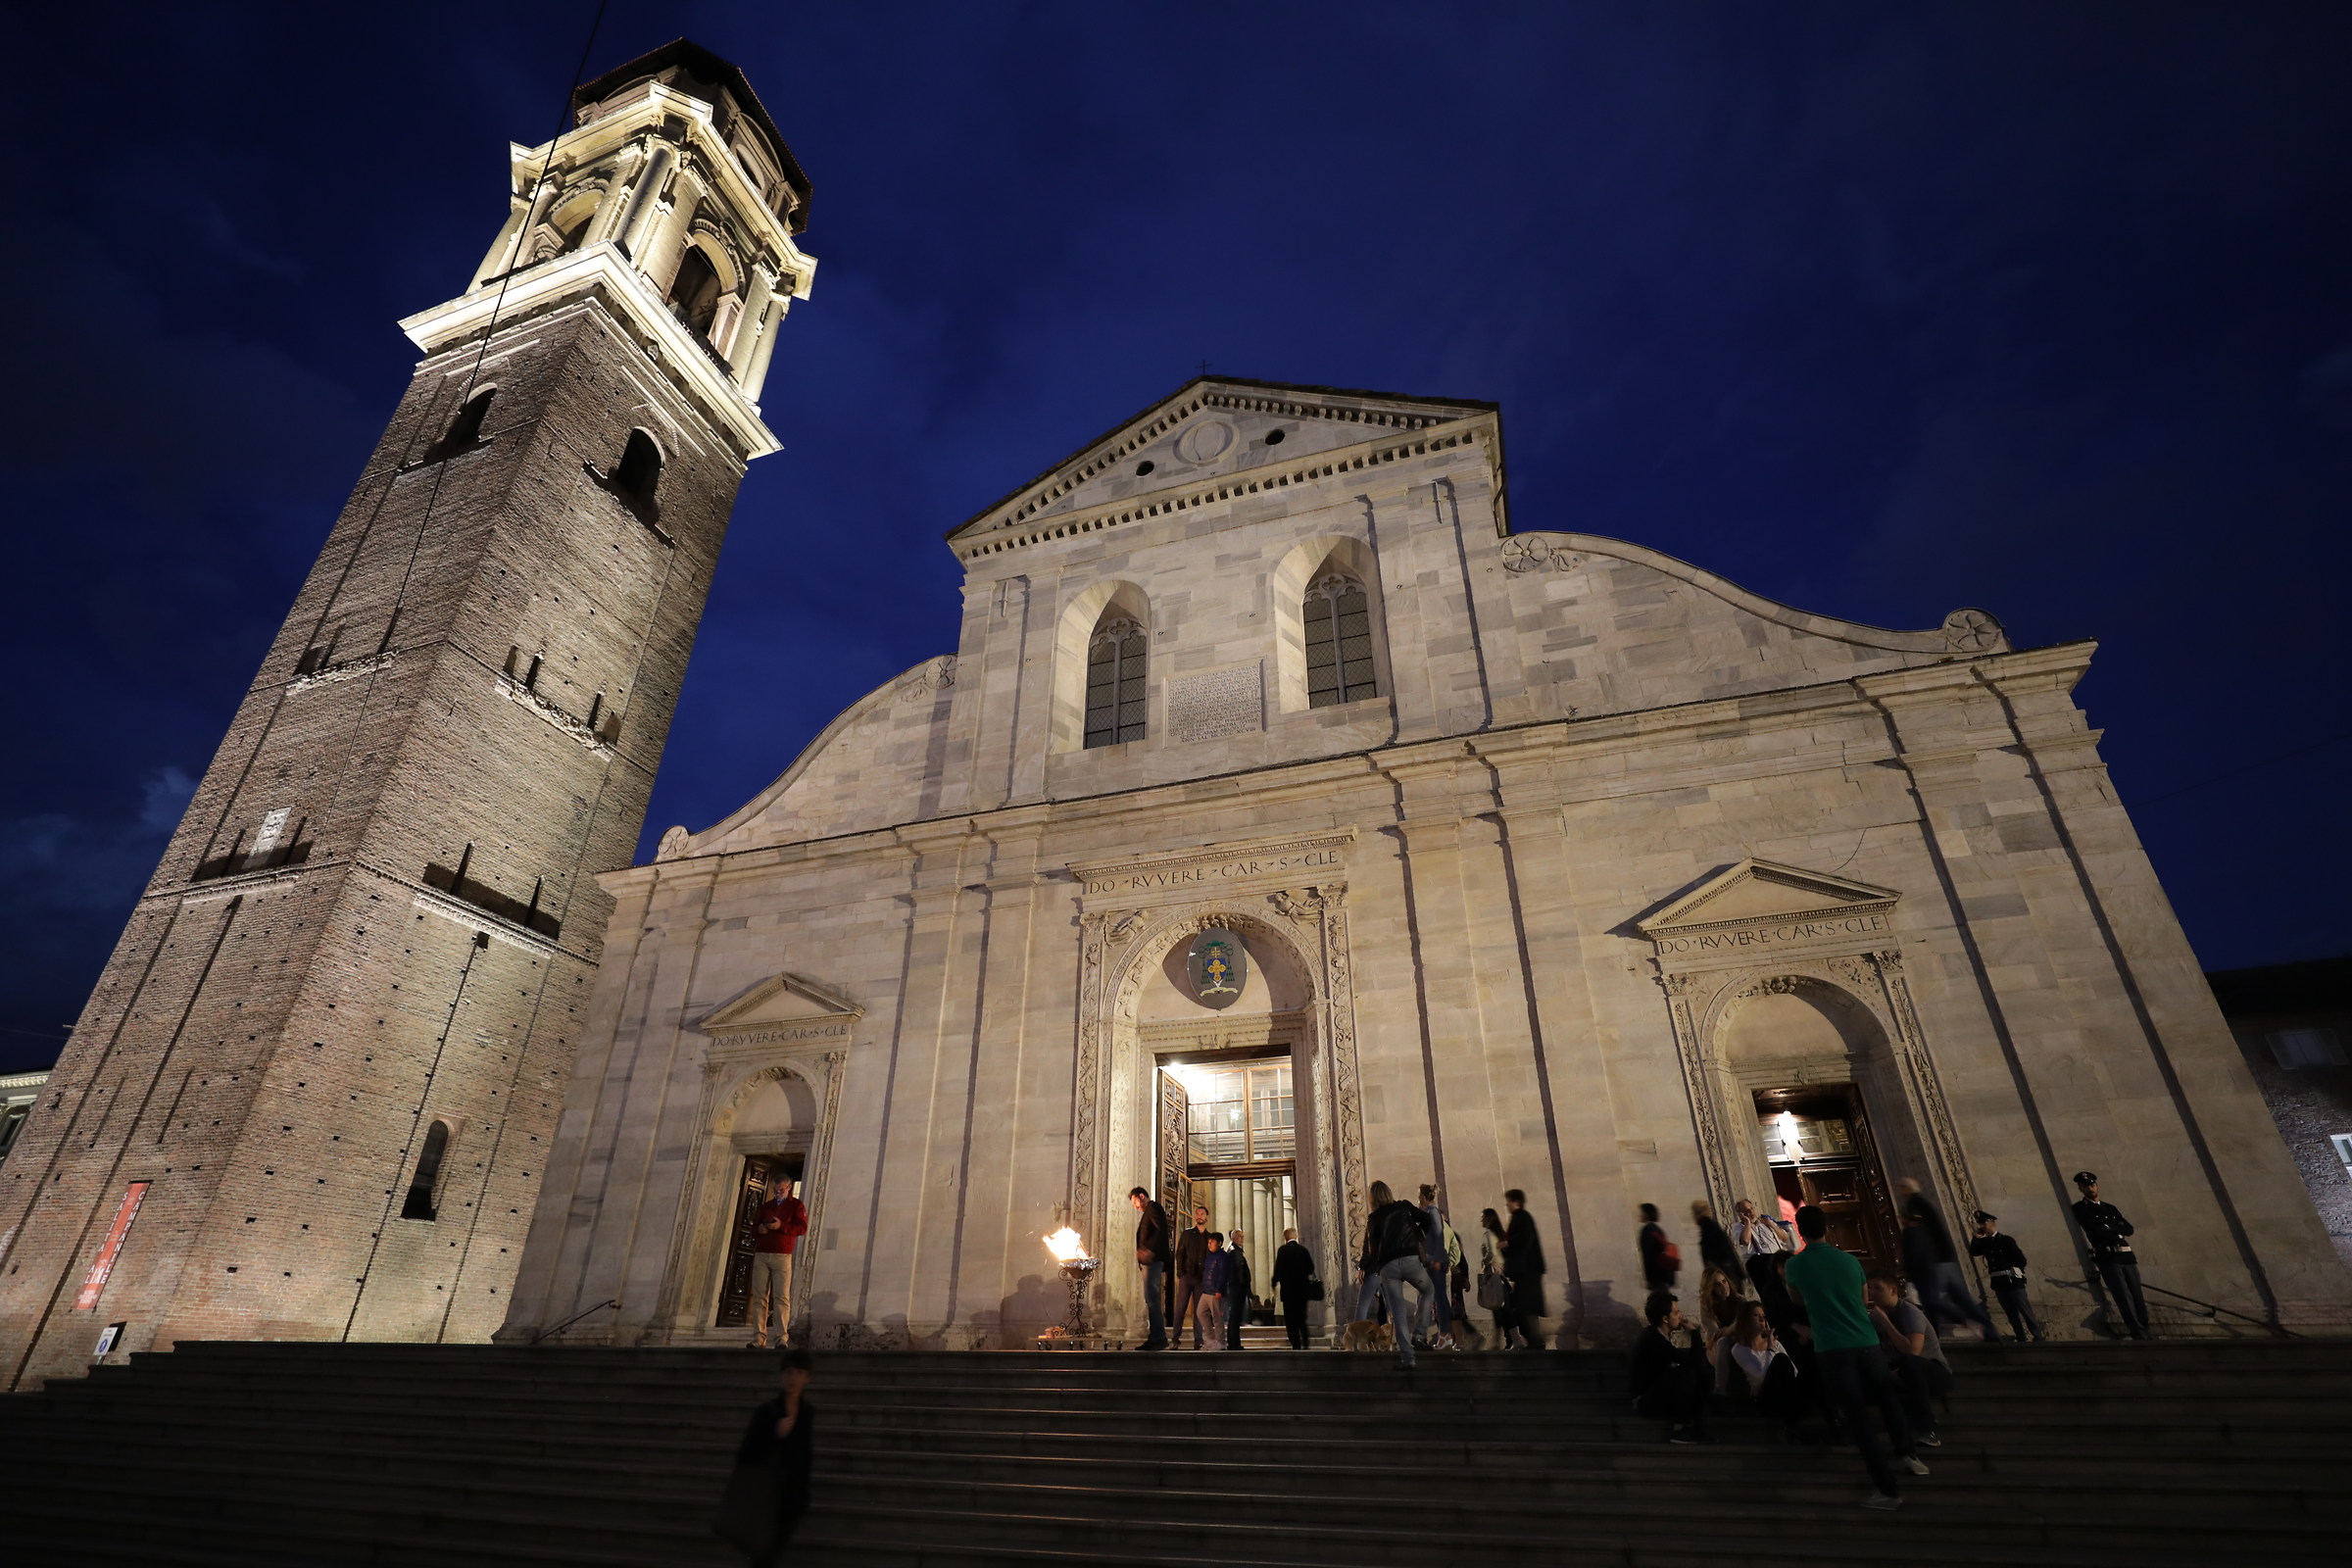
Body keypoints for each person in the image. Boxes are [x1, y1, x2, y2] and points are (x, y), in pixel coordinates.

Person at [1784, 1203, 1928, 1511]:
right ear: (1826, 1228)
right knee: (1887, 1399)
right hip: (1866, 1341)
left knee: (1859, 1419)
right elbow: (1863, 1299)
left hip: (1832, 1347)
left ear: (1800, 1231)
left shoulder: (1795, 1265)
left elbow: (1796, 1299)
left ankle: (1887, 1490)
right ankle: (1908, 1454)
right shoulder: (1849, 1260)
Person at [713, 1348, 814, 1565]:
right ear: (781, 1375)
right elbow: (746, 1454)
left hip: (791, 1497)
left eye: (798, 1373)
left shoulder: (807, 1412)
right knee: (763, 1557)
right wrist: (775, 1435)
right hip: (767, 1495)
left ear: (807, 1378)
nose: (792, 1378)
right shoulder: (767, 1412)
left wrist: (803, 1494)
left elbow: (805, 1455)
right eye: (788, 1372)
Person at [1896, 1178, 1996, 1341]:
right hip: (1946, 1261)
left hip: (1932, 1264)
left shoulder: (1915, 1206)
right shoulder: (1923, 1205)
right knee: (1962, 1299)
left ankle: (1954, 1327)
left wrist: (1909, 1269)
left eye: (1901, 1187)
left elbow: (1917, 1241)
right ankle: (1990, 1330)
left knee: (1931, 1301)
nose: (1899, 1191)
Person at [1357, 1179, 1436, 1369]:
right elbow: (1428, 1221)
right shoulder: (1404, 1206)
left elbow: (1372, 1249)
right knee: (1428, 1290)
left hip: (1388, 1266)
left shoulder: (1373, 1218)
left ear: (1372, 1198)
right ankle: (1419, 1334)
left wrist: (1373, 1267)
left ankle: (1408, 1358)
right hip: (1410, 1259)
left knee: (1398, 1312)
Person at [1865, 1275, 1946, 1445]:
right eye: (1869, 1288)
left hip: (1934, 1372)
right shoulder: (1874, 1317)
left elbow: (1912, 1351)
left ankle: (1927, 1430)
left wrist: (1885, 1321)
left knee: (1910, 1363)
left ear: (1893, 1290)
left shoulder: (1909, 1312)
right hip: (1900, 1371)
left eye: (1877, 1288)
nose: (1872, 1293)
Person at [2071, 1171, 2151, 1341]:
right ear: (2080, 1188)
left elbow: (2129, 1229)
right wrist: (2115, 1229)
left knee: (2136, 1293)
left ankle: (2145, 1327)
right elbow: (2094, 1229)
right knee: (2123, 1296)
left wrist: (2110, 1227)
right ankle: (2137, 1330)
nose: (2090, 1188)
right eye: (2086, 1186)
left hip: (2126, 1255)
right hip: (2108, 1256)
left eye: (2092, 1185)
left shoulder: (2110, 1208)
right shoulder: (2080, 1208)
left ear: (2097, 1186)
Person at [1630, 1290, 1712, 1444]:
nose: (1680, 1315)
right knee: (1687, 1373)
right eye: (1676, 1312)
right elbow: (1694, 1362)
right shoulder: (1653, 1339)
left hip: (1660, 1395)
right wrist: (1694, 1332)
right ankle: (1678, 1430)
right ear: (1665, 1319)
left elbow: (1696, 1363)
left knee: (1703, 1375)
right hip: (1646, 1402)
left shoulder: (1659, 1336)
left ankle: (1694, 1427)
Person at [745, 1179, 808, 1350]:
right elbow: (753, 1228)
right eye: (775, 1190)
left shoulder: (796, 1206)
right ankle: (759, 1337)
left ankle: (781, 1338)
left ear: (789, 1188)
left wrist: (781, 1226)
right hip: (762, 1254)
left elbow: (802, 1228)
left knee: (781, 1297)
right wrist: (759, 1230)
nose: (778, 1194)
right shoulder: (766, 1206)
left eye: (781, 1190)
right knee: (759, 1297)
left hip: (782, 1255)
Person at [1725, 1298, 1803, 1431]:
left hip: (1786, 1392)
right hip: (1766, 1398)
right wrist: (1770, 1349)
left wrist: (1771, 1345)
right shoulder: (1739, 1349)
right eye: (1756, 1315)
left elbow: (1794, 1372)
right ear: (1746, 1320)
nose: (1762, 1319)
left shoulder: (1775, 1343)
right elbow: (1761, 1379)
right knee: (1780, 1359)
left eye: (1763, 1316)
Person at [1968, 1211, 2043, 1342]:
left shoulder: (2006, 1240)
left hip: (2013, 1281)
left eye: (1983, 1223)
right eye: (1980, 1224)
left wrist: (2016, 1273)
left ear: (1992, 1223)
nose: (1981, 1226)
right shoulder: (1985, 1242)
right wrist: (1975, 1238)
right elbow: (1974, 1252)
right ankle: (2020, 1336)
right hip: (1999, 1282)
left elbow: (2021, 1260)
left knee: (2024, 1309)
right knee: (2010, 1312)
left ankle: (2037, 1335)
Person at [1501, 1190, 1548, 1348]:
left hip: (1528, 1270)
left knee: (1524, 1306)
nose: (1507, 1204)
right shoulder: (1520, 1217)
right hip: (1526, 1270)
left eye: (1509, 1201)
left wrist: (1507, 1243)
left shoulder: (1522, 1216)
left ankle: (1536, 1340)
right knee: (1525, 1306)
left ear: (1516, 1202)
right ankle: (1535, 1340)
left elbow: (1524, 1238)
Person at [1128, 1187, 1170, 1351]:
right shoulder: (1149, 1211)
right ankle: (1155, 1336)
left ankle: (1158, 1338)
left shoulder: (1154, 1208)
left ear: (1142, 1196)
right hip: (1149, 1262)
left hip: (1153, 1261)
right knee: (1150, 1299)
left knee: (1152, 1299)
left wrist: (1149, 1250)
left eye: (1135, 1202)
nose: (1135, 1206)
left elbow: (1161, 1230)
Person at [1416, 1185, 1456, 1349]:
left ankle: (1445, 1334)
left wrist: (1438, 1258)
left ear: (1423, 1196)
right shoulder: (1429, 1212)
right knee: (1435, 1297)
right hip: (1432, 1260)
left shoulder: (1432, 1212)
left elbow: (1439, 1235)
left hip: (1435, 1261)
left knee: (1440, 1298)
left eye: (1419, 1195)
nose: (1418, 1198)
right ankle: (1442, 1335)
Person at [1479, 1207, 1523, 1348]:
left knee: (1501, 1309)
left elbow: (1491, 1253)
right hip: (1502, 1274)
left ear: (1489, 1219)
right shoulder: (1498, 1233)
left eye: (1483, 1217)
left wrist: (1484, 1263)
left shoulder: (1488, 1233)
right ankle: (1510, 1340)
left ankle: (1513, 1341)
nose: (1481, 1220)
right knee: (1503, 1308)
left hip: (1494, 1274)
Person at [1173, 1201, 1212, 1348]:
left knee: (1199, 1311)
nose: (1199, 1216)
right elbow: (1180, 1253)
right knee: (1180, 1308)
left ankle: (1198, 1341)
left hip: (1202, 1279)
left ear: (1207, 1217)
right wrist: (1181, 1273)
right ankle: (1175, 1340)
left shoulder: (1210, 1238)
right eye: (1197, 1214)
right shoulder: (1187, 1234)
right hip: (1187, 1276)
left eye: (1202, 1214)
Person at [1732, 1196, 1789, 1294]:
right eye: (1746, 1211)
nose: (1751, 1212)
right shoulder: (1739, 1227)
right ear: (1741, 1214)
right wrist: (1747, 1222)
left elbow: (1785, 1238)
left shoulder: (1765, 1222)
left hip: (1777, 1259)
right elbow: (1745, 1240)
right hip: (1760, 1265)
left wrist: (1771, 1224)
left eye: (1751, 1208)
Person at [1271, 1226, 1316, 1348]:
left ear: (1285, 1238)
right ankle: (1305, 1342)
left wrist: (1274, 1282)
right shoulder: (1303, 1250)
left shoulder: (1282, 1250)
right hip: (1302, 1290)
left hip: (1288, 1290)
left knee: (1290, 1319)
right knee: (1302, 1317)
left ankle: (1295, 1343)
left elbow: (1278, 1269)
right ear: (1295, 1236)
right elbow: (1310, 1268)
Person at [1692, 1199, 1743, 1282]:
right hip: (1727, 1272)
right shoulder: (1708, 1226)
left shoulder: (1708, 1227)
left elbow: (1720, 1252)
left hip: (1725, 1273)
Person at [1199, 1232, 1231, 1348]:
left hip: (1215, 1291)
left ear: (1219, 1243)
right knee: (1200, 1312)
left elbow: (1223, 1274)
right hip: (1206, 1290)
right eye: (1208, 1242)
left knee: (1217, 1317)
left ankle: (1221, 1342)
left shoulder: (1223, 1257)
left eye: (1212, 1242)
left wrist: (1219, 1290)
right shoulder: (1210, 1255)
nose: (1209, 1244)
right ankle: (1211, 1339)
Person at [1637, 1202, 1678, 1291]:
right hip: (1664, 1274)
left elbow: (1648, 1256)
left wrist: (1649, 1278)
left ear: (1646, 1214)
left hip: (1656, 1276)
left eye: (1641, 1212)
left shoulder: (1647, 1230)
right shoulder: (1658, 1229)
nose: (1640, 1215)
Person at [1223, 1228, 1252, 1348]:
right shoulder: (1234, 1251)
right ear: (1234, 1238)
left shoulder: (1236, 1250)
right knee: (1235, 1316)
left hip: (1237, 1286)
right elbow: (1238, 1270)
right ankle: (1234, 1343)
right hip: (1237, 1287)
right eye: (1240, 1237)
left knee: (1236, 1316)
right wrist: (1244, 1285)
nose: (1242, 1239)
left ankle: (1234, 1342)